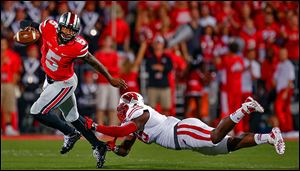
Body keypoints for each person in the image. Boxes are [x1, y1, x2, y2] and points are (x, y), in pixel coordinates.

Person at [18, 12, 128, 168]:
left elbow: (93, 61)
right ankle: (99, 145)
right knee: (73, 117)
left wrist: (110, 78)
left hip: (64, 83)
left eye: (72, 30)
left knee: (37, 111)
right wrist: (23, 28)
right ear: (60, 26)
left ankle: (70, 133)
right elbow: (29, 23)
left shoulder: (77, 45)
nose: (68, 33)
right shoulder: (49, 27)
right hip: (49, 79)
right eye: (66, 29)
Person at [84, 92, 285, 158]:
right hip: (183, 140)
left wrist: (95, 127)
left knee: (215, 137)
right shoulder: (134, 123)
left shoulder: (141, 114)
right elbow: (125, 150)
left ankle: (245, 107)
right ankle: (269, 137)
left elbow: (121, 130)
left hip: (180, 131)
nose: (121, 110)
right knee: (229, 145)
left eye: (124, 106)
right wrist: (109, 147)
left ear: (133, 105)